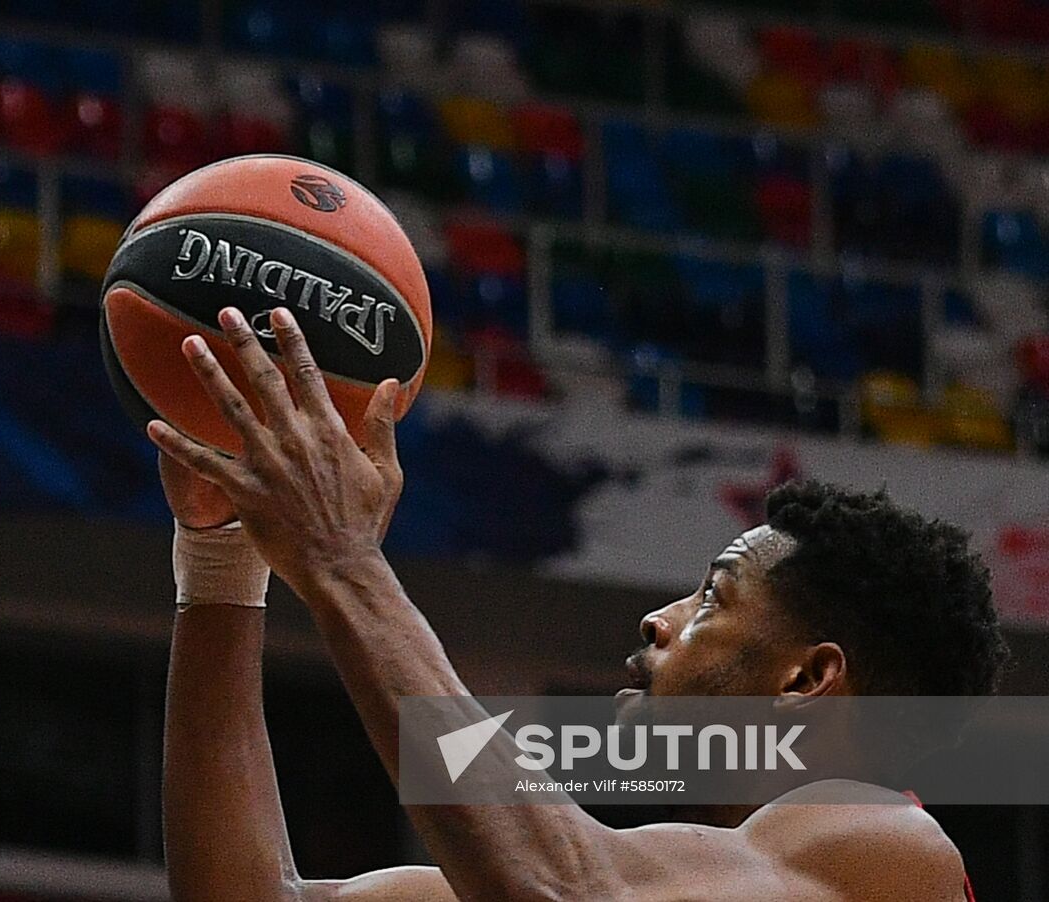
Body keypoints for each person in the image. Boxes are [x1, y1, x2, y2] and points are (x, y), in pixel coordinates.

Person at [152, 305, 1007, 901]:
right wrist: (223, 557)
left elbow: (559, 889)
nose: (656, 621)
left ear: (808, 678)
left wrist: (342, 558)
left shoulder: (886, 849)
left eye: (712, 598)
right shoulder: (659, 873)